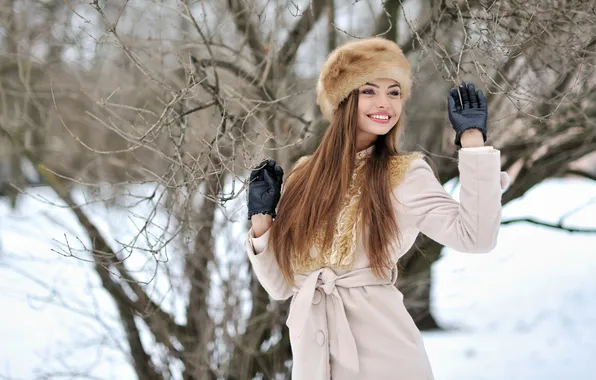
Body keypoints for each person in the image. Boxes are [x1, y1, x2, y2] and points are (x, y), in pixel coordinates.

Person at [245, 37, 509, 380]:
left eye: (394, 92)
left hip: (385, 359)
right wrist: (262, 219)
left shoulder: (405, 174)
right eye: (369, 91)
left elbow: (476, 237)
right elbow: (281, 286)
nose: (384, 103)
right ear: (343, 99)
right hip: (313, 359)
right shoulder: (303, 175)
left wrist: (472, 141)